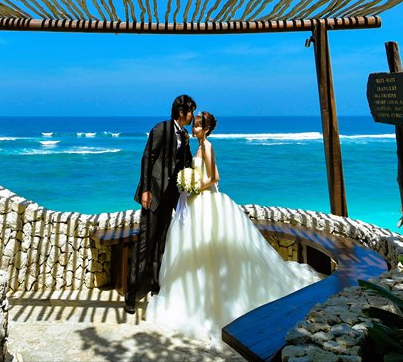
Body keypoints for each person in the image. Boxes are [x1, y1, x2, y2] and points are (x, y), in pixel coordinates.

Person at [147, 111, 320, 346]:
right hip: (195, 203)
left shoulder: (208, 147)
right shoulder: (198, 147)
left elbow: (215, 177)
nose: (194, 129)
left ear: (207, 129)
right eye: (194, 125)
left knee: (210, 250)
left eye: (198, 126)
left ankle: (218, 299)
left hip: (207, 201)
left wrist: (194, 186)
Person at [125, 94, 197, 314]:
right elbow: (147, 159)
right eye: (191, 111)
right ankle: (131, 294)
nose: (193, 115)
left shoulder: (184, 135)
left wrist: (193, 178)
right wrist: (145, 190)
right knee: (145, 244)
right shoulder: (160, 129)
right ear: (181, 112)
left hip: (170, 197)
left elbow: (186, 161)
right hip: (154, 194)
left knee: (161, 244)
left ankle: (156, 287)